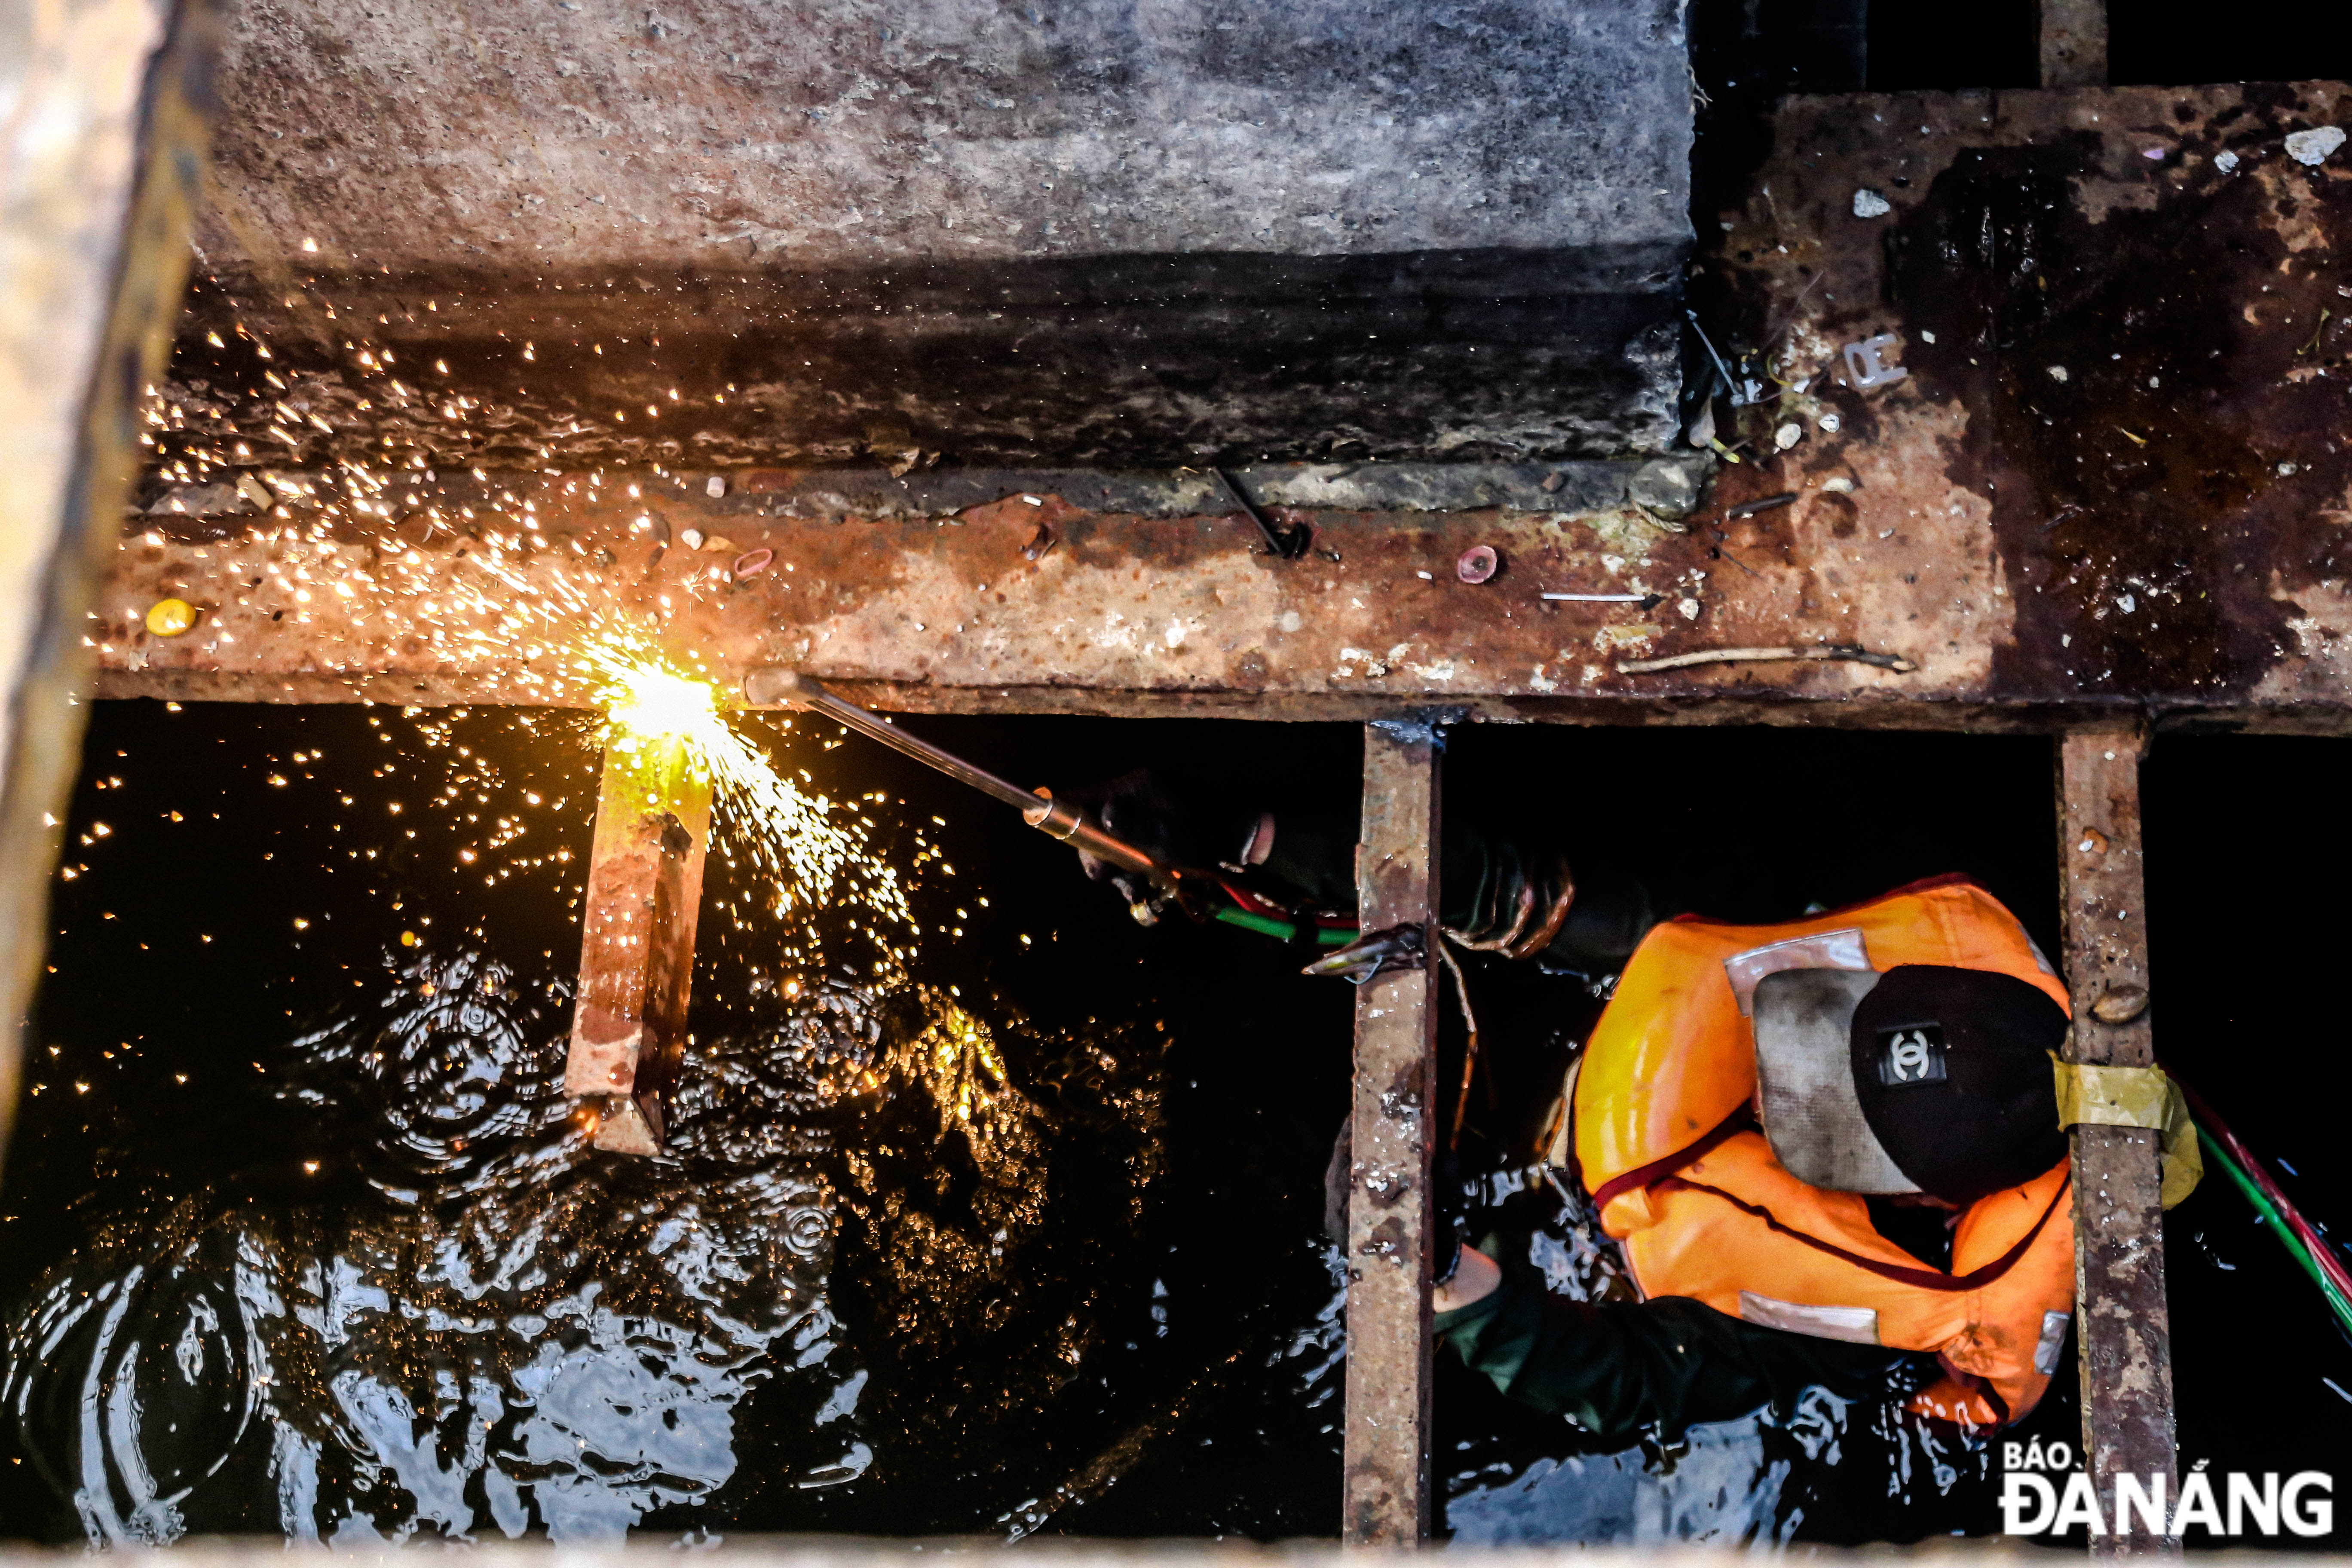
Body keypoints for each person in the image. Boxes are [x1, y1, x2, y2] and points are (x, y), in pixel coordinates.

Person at [1062, 778, 2080, 1443]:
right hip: (1610, 1114)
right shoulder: (1807, 957)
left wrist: (1439, 1270)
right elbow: (1510, 897)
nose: (1781, 1087)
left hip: (1609, 1222)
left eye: (1826, 1129)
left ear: (1933, 1205)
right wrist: (1247, 836)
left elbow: (1628, 1377)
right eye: (1811, 1047)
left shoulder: (1848, 1321)